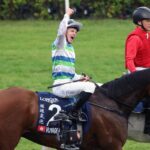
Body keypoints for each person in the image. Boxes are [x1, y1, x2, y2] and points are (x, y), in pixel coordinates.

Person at [51, 8, 96, 117]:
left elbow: (71, 75)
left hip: (69, 84)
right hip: (60, 86)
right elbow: (60, 31)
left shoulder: (71, 49)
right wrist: (66, 14)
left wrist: (81, 78)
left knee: (96, 86)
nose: (74, 33)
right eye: (72, 31)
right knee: (90, 87)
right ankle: (73, 112)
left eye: (75, 32)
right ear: (66, 31)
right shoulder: (60, 44)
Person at [125, 6, 150, 134]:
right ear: (139, 22)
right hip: (137, 72)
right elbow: (129, 60)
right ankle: (148, 126)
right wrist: (136, 77)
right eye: (148, 21)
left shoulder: (147, 34)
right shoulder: (135, 38)